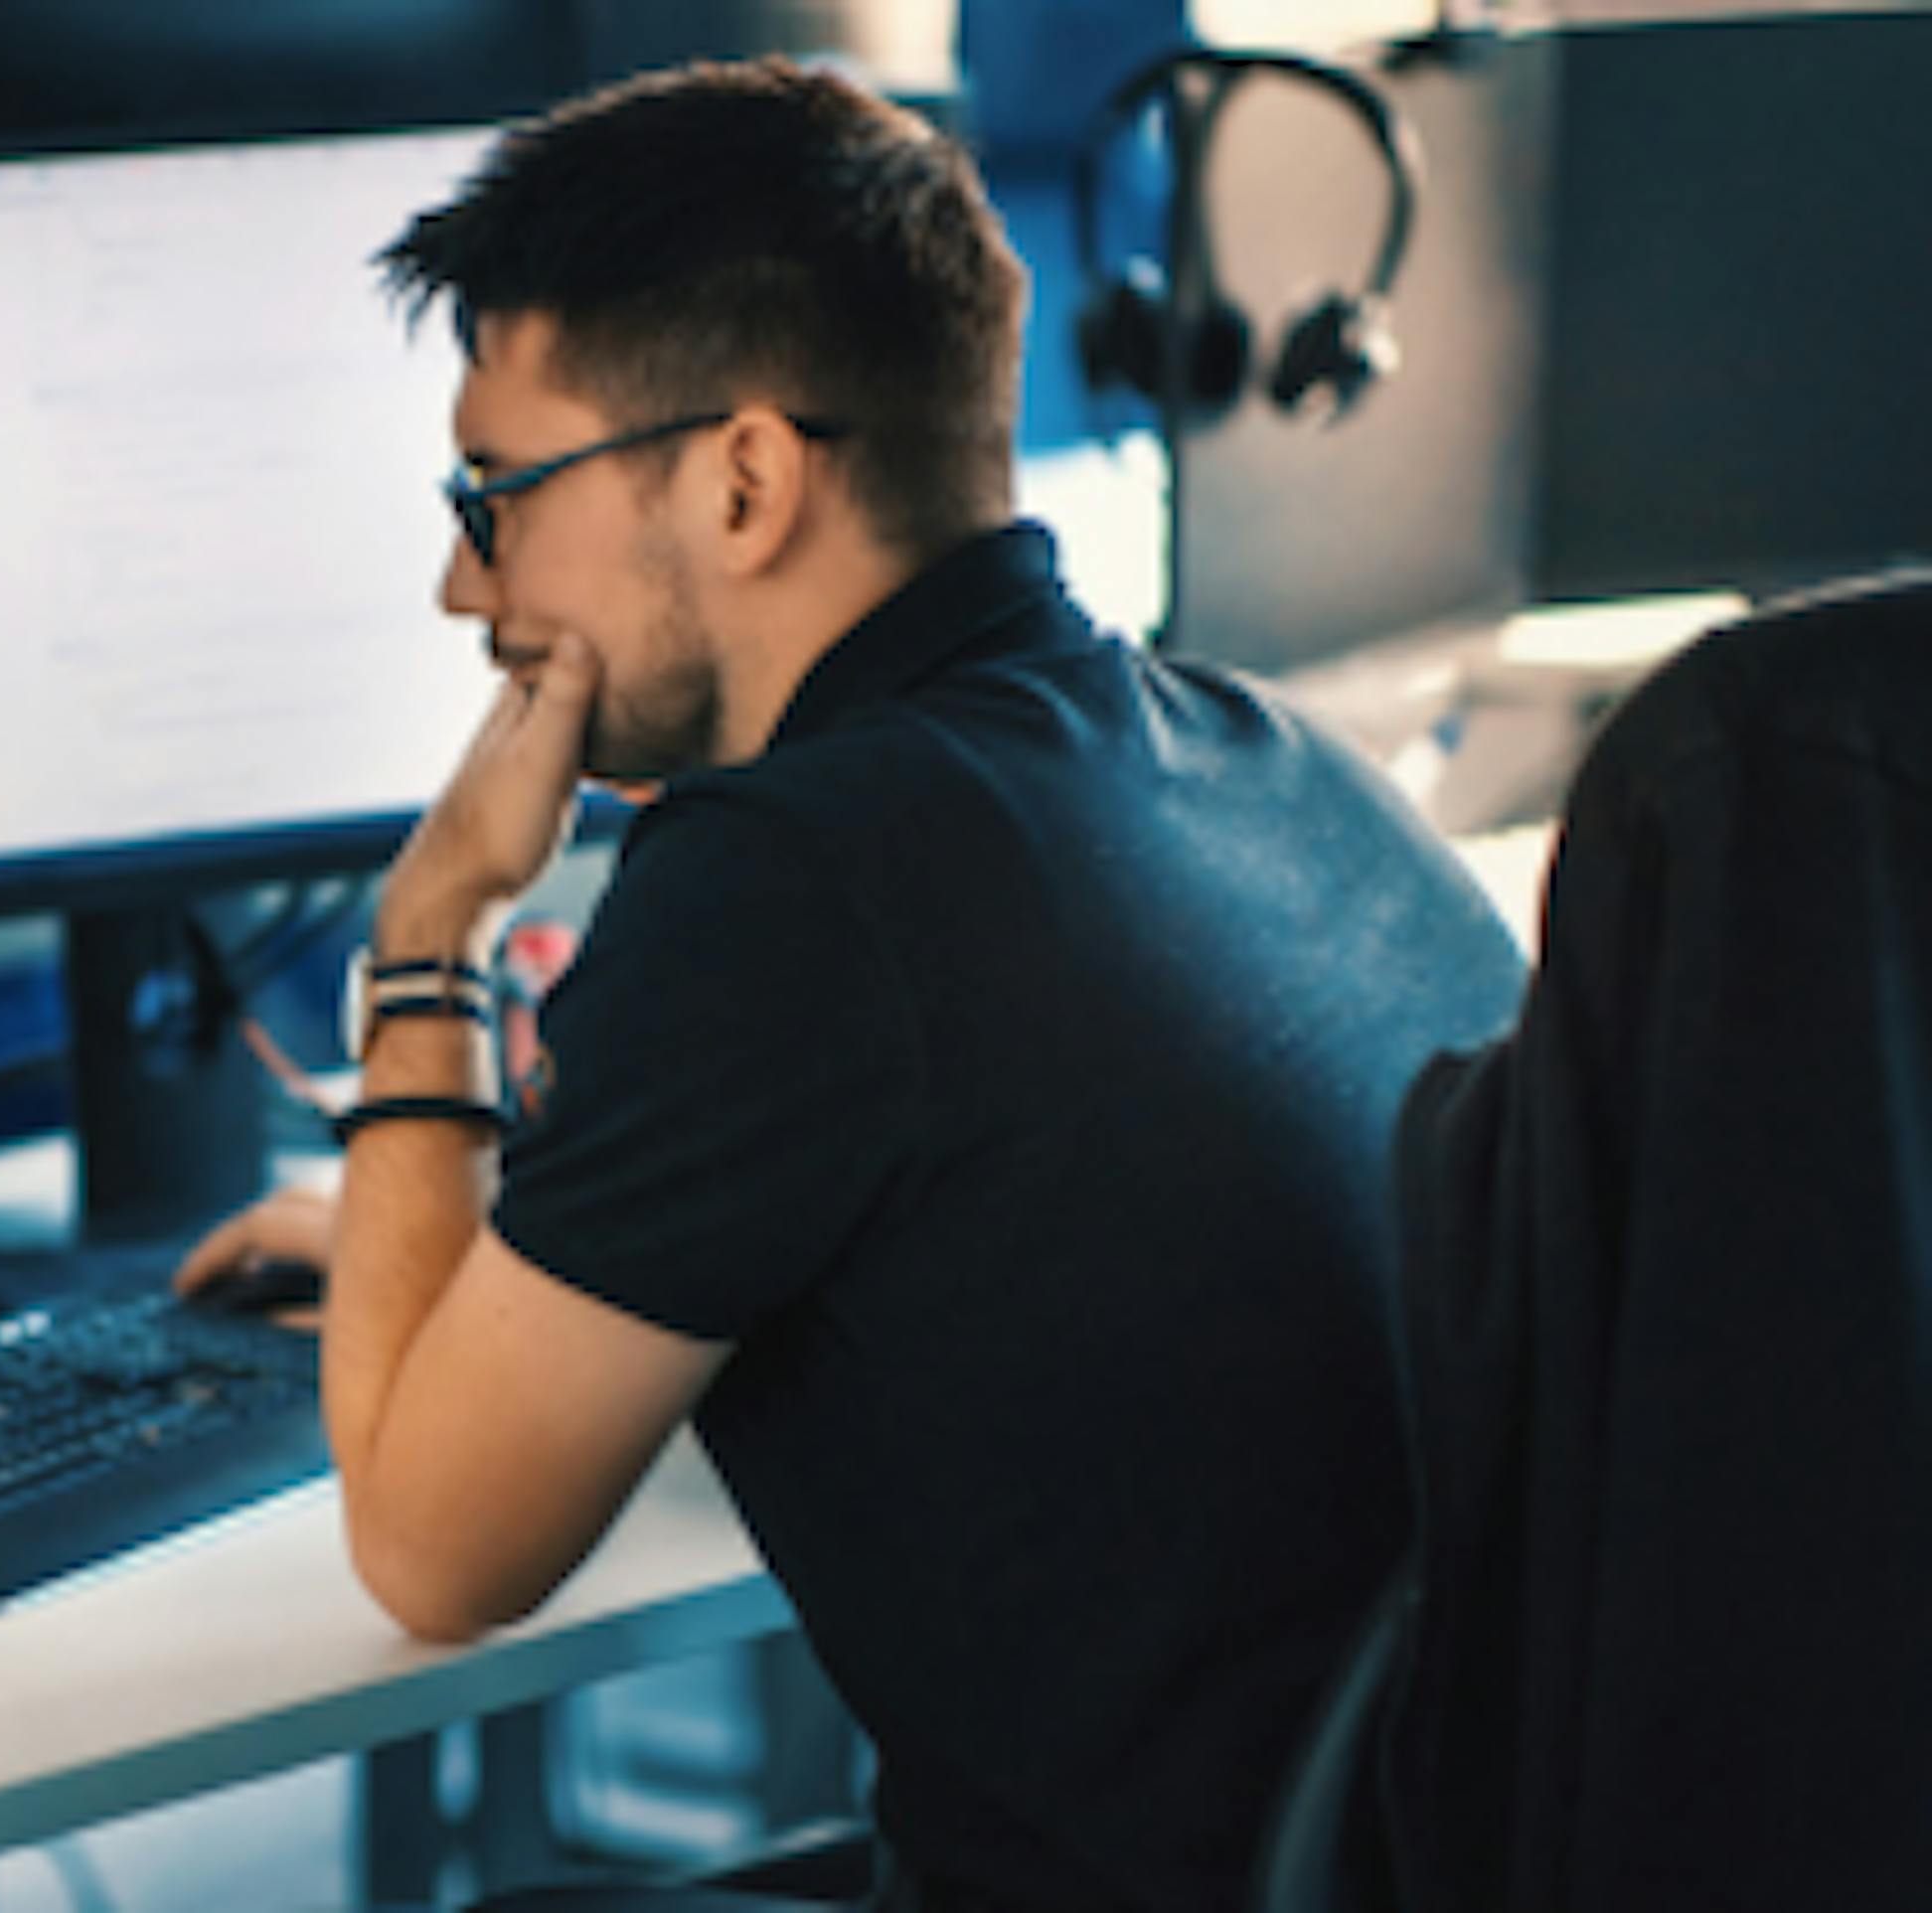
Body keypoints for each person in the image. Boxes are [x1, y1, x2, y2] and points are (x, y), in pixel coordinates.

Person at [174, 61, 1528, 1910]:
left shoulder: (796, 874)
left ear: (744, 478)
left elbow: (435, 1545)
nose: (456, 585)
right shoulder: (1267, 758)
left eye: (495, 491)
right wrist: (488, 1254)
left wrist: (433, 940)